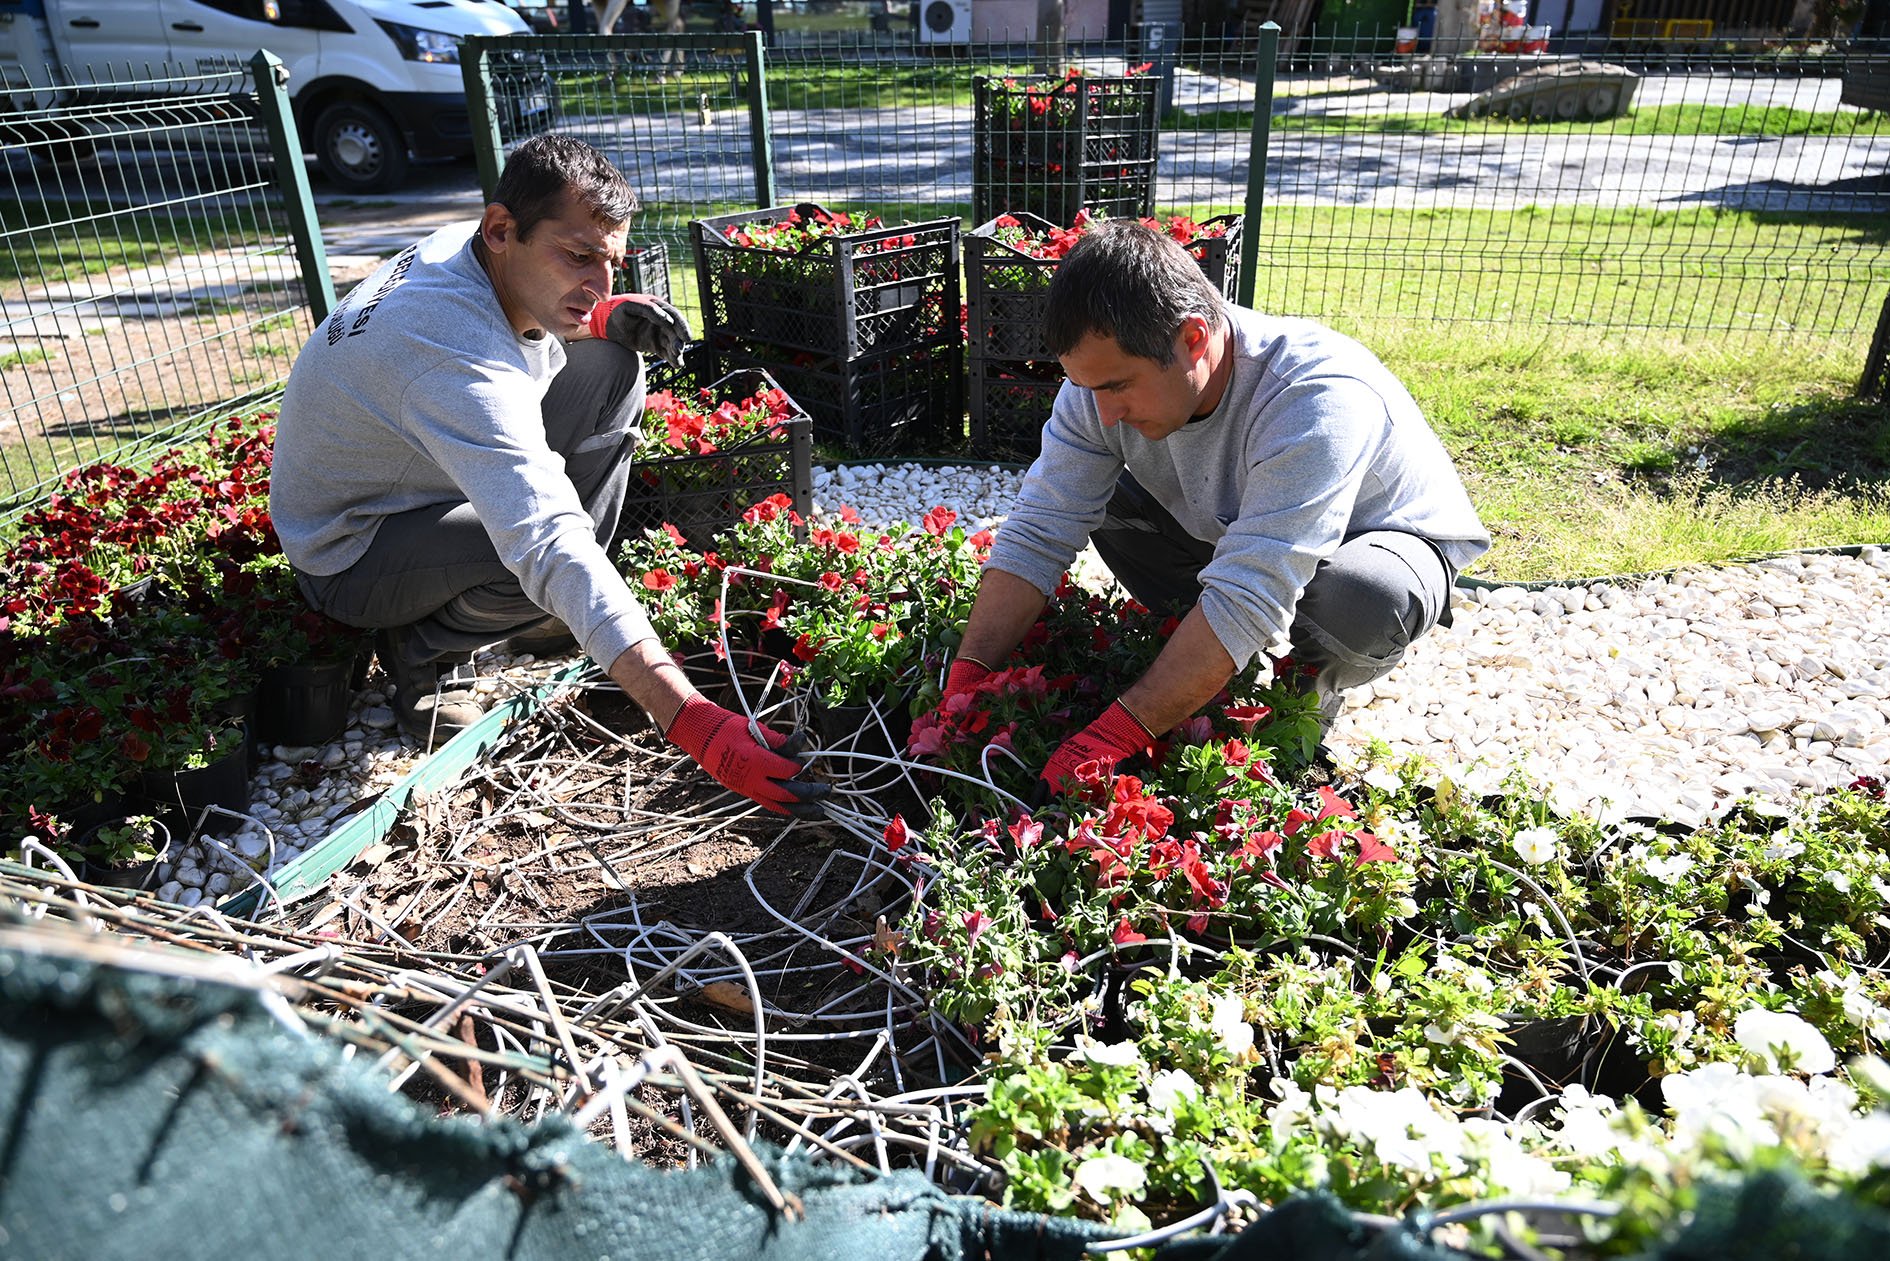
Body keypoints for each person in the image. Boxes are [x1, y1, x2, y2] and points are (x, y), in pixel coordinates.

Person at [270, 134, 824, 817]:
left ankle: (532, 616)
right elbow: (546, 536)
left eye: (611, 262)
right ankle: (422, 657)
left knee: (616, 363)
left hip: (419, 482)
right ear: (502, 229)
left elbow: (533, 307)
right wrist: (688, 718)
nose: (599, 281)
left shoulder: (470, 249)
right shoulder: (448, 353)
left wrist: (603, 316)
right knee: (549, 555)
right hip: (350, 550)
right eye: (579, 257)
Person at [944, 220, 1489, 794]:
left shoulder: (1313, 396)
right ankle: (1205, 661)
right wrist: (969, 674)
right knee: (1104, 502)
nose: (1104, 413)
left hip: (1381, 545)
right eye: (1088, 388)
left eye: (1117, 387)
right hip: (1238, 535)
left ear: (1194, 339)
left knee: (1363, 597)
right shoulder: (1095, 386)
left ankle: (1301, 696)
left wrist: (1116, 734)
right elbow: (1040, 528)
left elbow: (1251, 588)